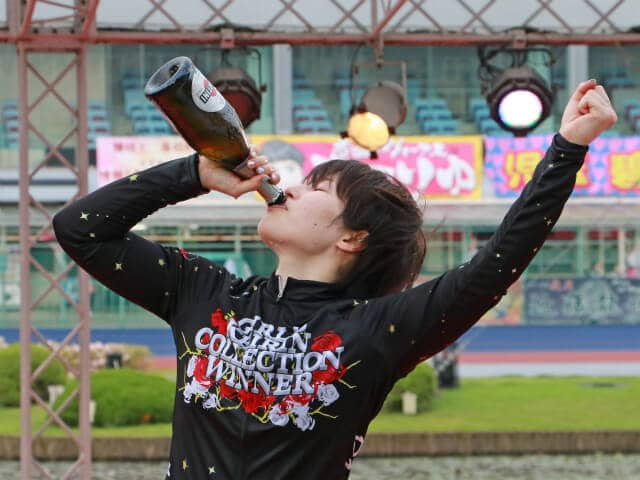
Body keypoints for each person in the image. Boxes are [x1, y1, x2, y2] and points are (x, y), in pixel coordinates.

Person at [53, 79, 616, 479]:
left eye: (316, 188)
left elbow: (495, 264)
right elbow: (79, 229)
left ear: (352, 238)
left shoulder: (376, 330)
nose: (289, 189)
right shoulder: (204, 291)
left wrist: (567, 148)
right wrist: (194, 174)